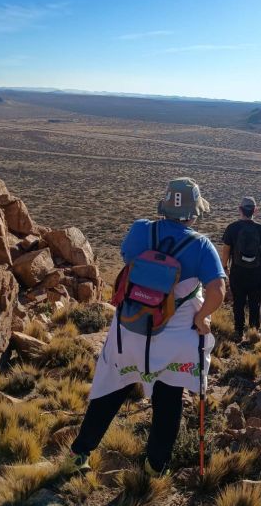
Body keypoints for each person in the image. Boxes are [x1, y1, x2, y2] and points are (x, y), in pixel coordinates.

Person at [66, 177, 226, 475]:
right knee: (168, 402)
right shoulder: (201, 245)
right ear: (193, 214)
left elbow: (128, 258)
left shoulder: (141, 230)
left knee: (111, 390)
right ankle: (155, 467)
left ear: (165, 206)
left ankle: (79, 453)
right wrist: (201, 317)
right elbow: (218, 291)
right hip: (175, 340)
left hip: (130, 329)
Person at [222, 196, 261, 340]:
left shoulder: (232, 228)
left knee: (238, 302)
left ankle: (239, 331)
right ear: (255, 210)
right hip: (256, 273)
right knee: (255, 302)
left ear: (240, 209)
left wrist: (225, 267)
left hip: (238, 272)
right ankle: (254, 332)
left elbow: (226, 251)